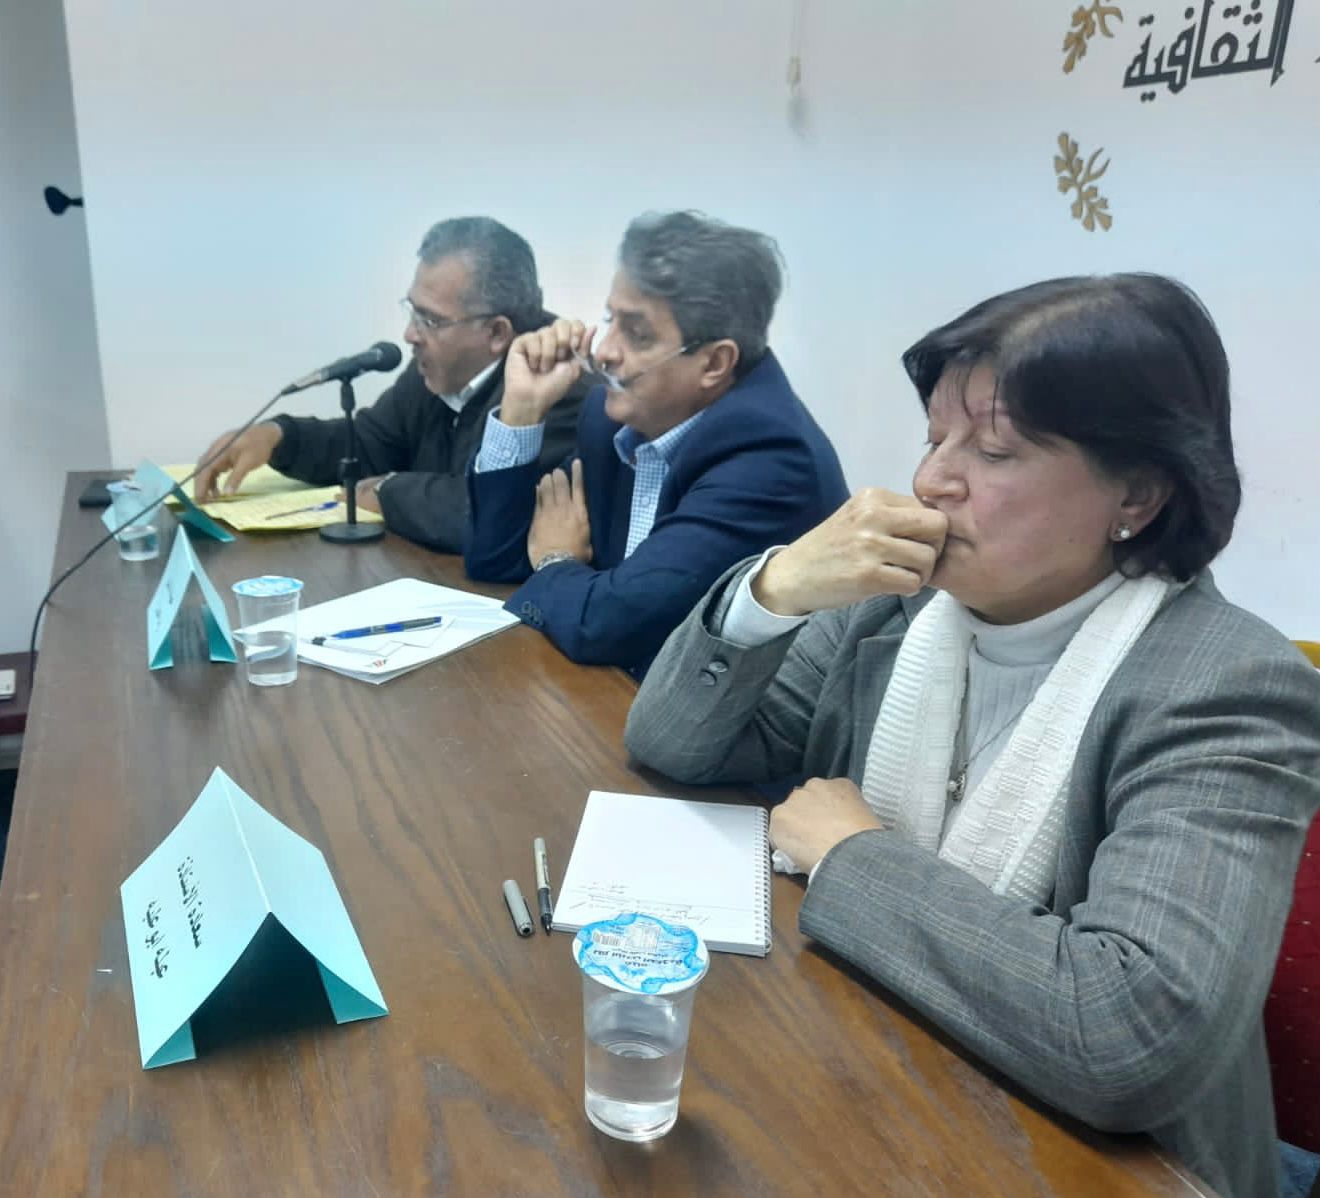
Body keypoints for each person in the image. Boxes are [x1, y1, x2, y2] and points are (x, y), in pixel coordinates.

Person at [624, 274, 1320, 1198]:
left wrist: (853, 857)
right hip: (876, 1065)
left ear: (1139, 495)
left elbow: (1128, 1037)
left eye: (993, 451)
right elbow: (675, 746)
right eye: (934, 438)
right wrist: (775, 588)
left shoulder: (1227, 687)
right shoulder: (897, 605)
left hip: (1110, 1164)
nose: (930, 482)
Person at [463, 210, 849, 676]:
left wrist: (555, 560)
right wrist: (522, 412)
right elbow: (497, 561)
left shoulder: (772, 461)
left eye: (637, 333)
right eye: (610, 319)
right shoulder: (612, 419)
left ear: (714, 363)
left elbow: (608, 625)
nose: (604, 351)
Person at [192, 217, 584, 552]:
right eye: (413, 311)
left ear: (496, 333)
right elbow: (370, 444)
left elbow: (482, 511)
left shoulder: (556, 385)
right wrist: (280, 438)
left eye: (430, 320)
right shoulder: (437, 367)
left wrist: (388, 491)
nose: (410, 334)